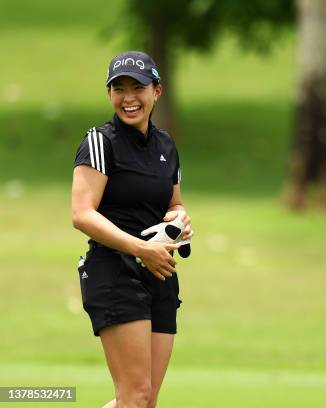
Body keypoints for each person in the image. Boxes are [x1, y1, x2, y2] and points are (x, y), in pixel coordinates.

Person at [71, 51, 193, 408]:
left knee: (145, 400)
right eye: (118, 88)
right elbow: (82, 214)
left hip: (159, 274)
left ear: (157, 91)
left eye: (137, 88)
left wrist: (180, 220)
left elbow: (175, 203)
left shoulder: (166, 146)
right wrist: (140, 249)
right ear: (109, 93)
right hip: (114, 271)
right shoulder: (100, 141)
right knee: (135, 397)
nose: (128, 98)